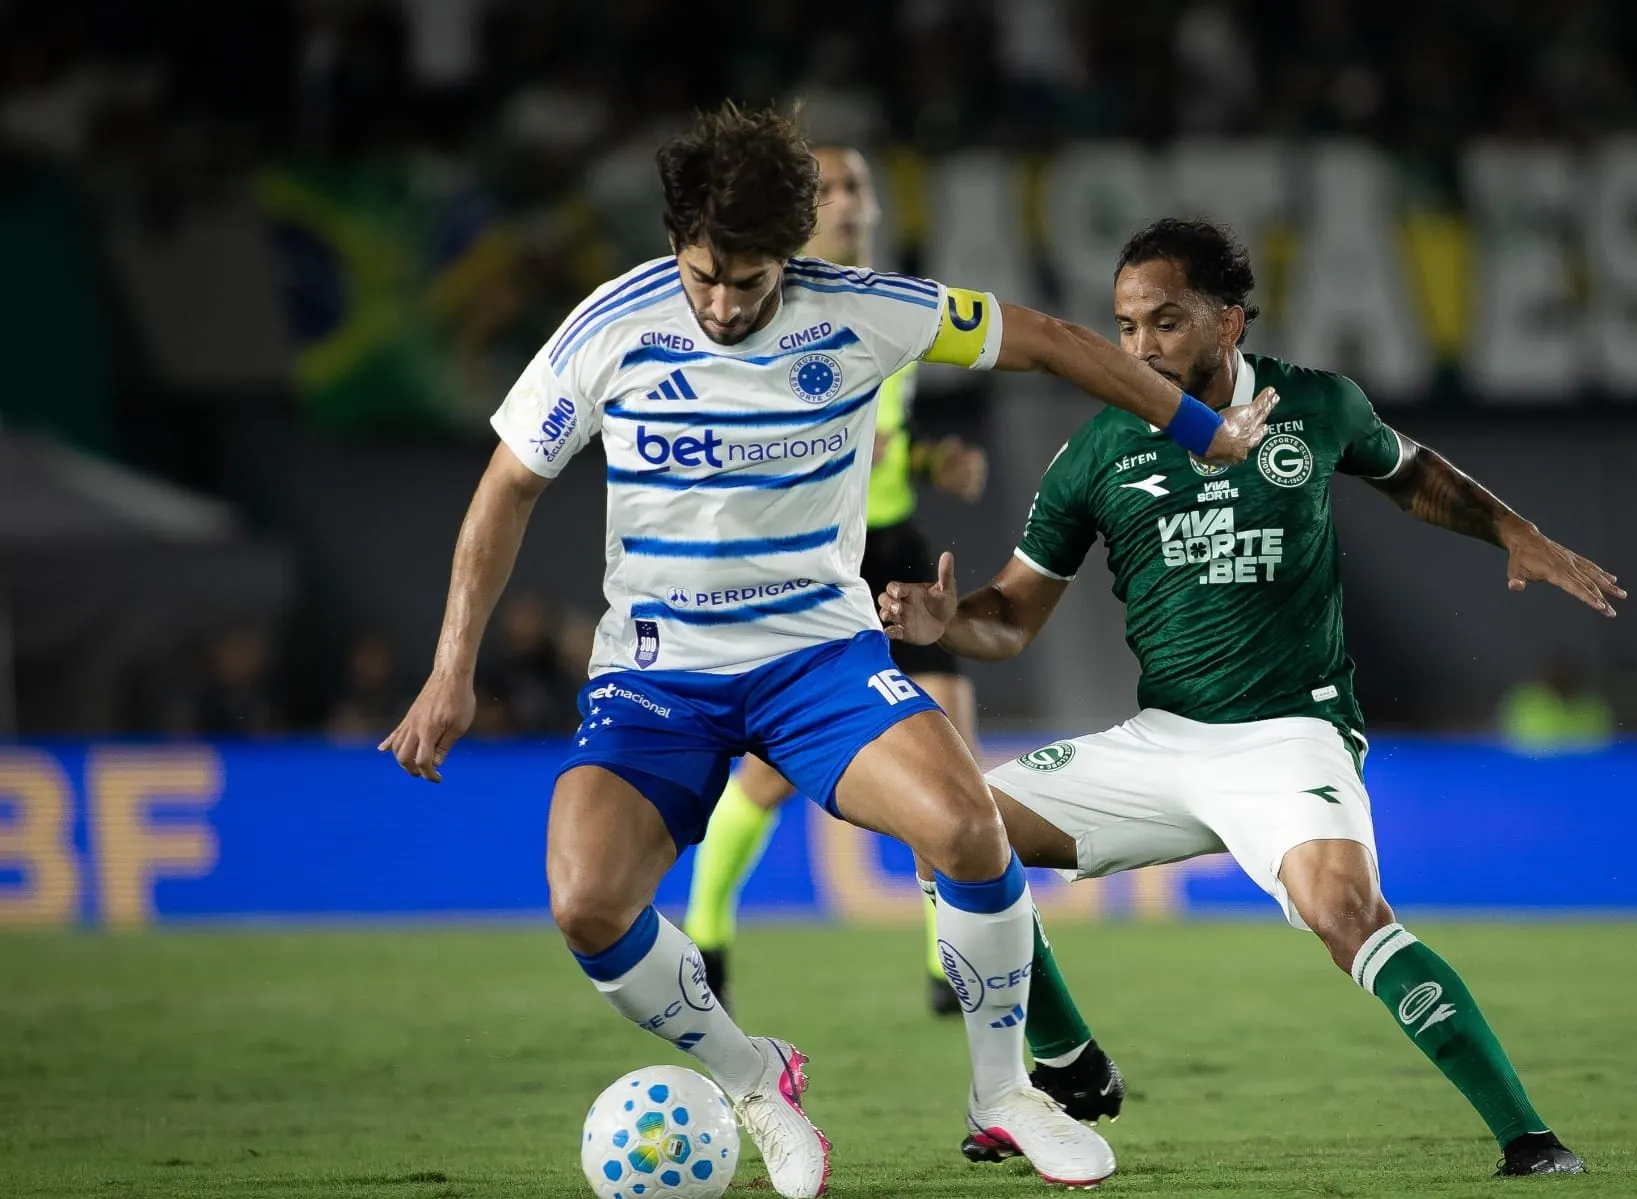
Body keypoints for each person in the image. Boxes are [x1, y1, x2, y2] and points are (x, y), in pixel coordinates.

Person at [379, 108, 1271, 1198]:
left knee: (967, 826)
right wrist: (449, 666)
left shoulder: (868, 312)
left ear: (791, 257)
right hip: (658, 675)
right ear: (677, 244)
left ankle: (1003, 1093)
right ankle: (754, 1076)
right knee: (586, 900)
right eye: (705, 274)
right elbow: (506, 487)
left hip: (817, 657)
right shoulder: (607, 326)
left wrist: (1201, 428)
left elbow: (1051, 340)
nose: (723, 303)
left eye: (749, 280)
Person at [879, 217, 1624, 1178]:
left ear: (1229, 320)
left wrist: (1512, 529)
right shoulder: (1099, 451)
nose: (1140, 347)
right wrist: (949, 623)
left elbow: (1412, 474)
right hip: (1164, 738)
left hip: (1289, 736)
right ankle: (1065, 1058)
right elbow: (1011, 618)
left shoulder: (1317, 406)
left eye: (1166, 321)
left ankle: (1528, 1137)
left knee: (1346, 912)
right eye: (1125, 326)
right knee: (948, 827)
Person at [682, 143, 991, 1020]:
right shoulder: (772, 307)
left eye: (860, 185)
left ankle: (949, 963)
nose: (852, 201)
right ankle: (705, 926)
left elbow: (889, 441)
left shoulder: (890, 307)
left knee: (950, 748)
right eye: (833, 190)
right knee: (778, 773)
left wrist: (933, 458)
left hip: (891, 540)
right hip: (819, 555)